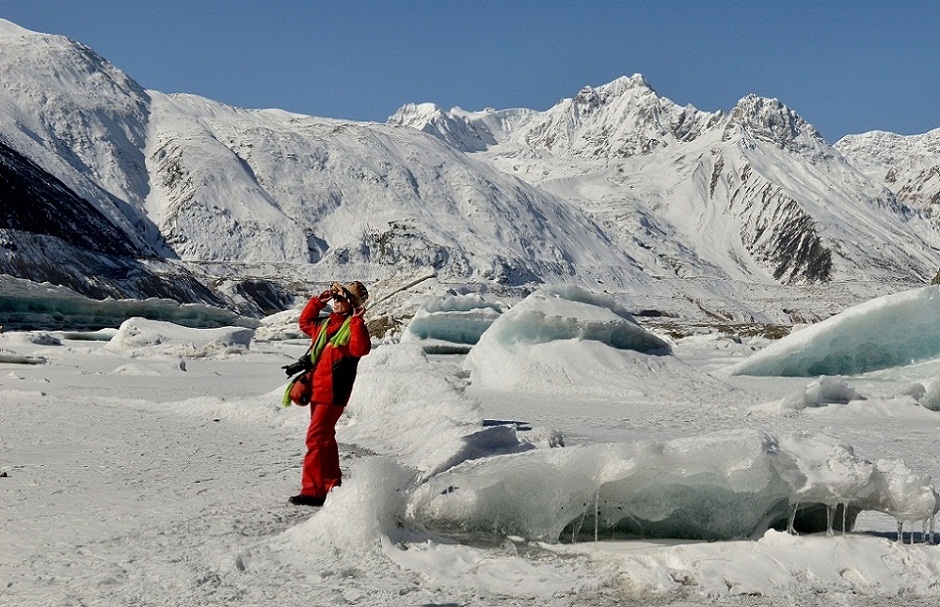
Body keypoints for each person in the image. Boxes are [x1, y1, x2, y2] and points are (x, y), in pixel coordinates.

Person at [287, 280, 371, 506]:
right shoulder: (325, 325)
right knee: (325, 438)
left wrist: (356, 321)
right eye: (336, 298)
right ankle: (332, 483)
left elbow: (360, 349)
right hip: (317, 391)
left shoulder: (352, 327)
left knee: (315, 438)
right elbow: (304, 323)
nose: (336, 301)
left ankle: (313, 492)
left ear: (352, 304)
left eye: (341, 298)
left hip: (334, 393)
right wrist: (317, 301)